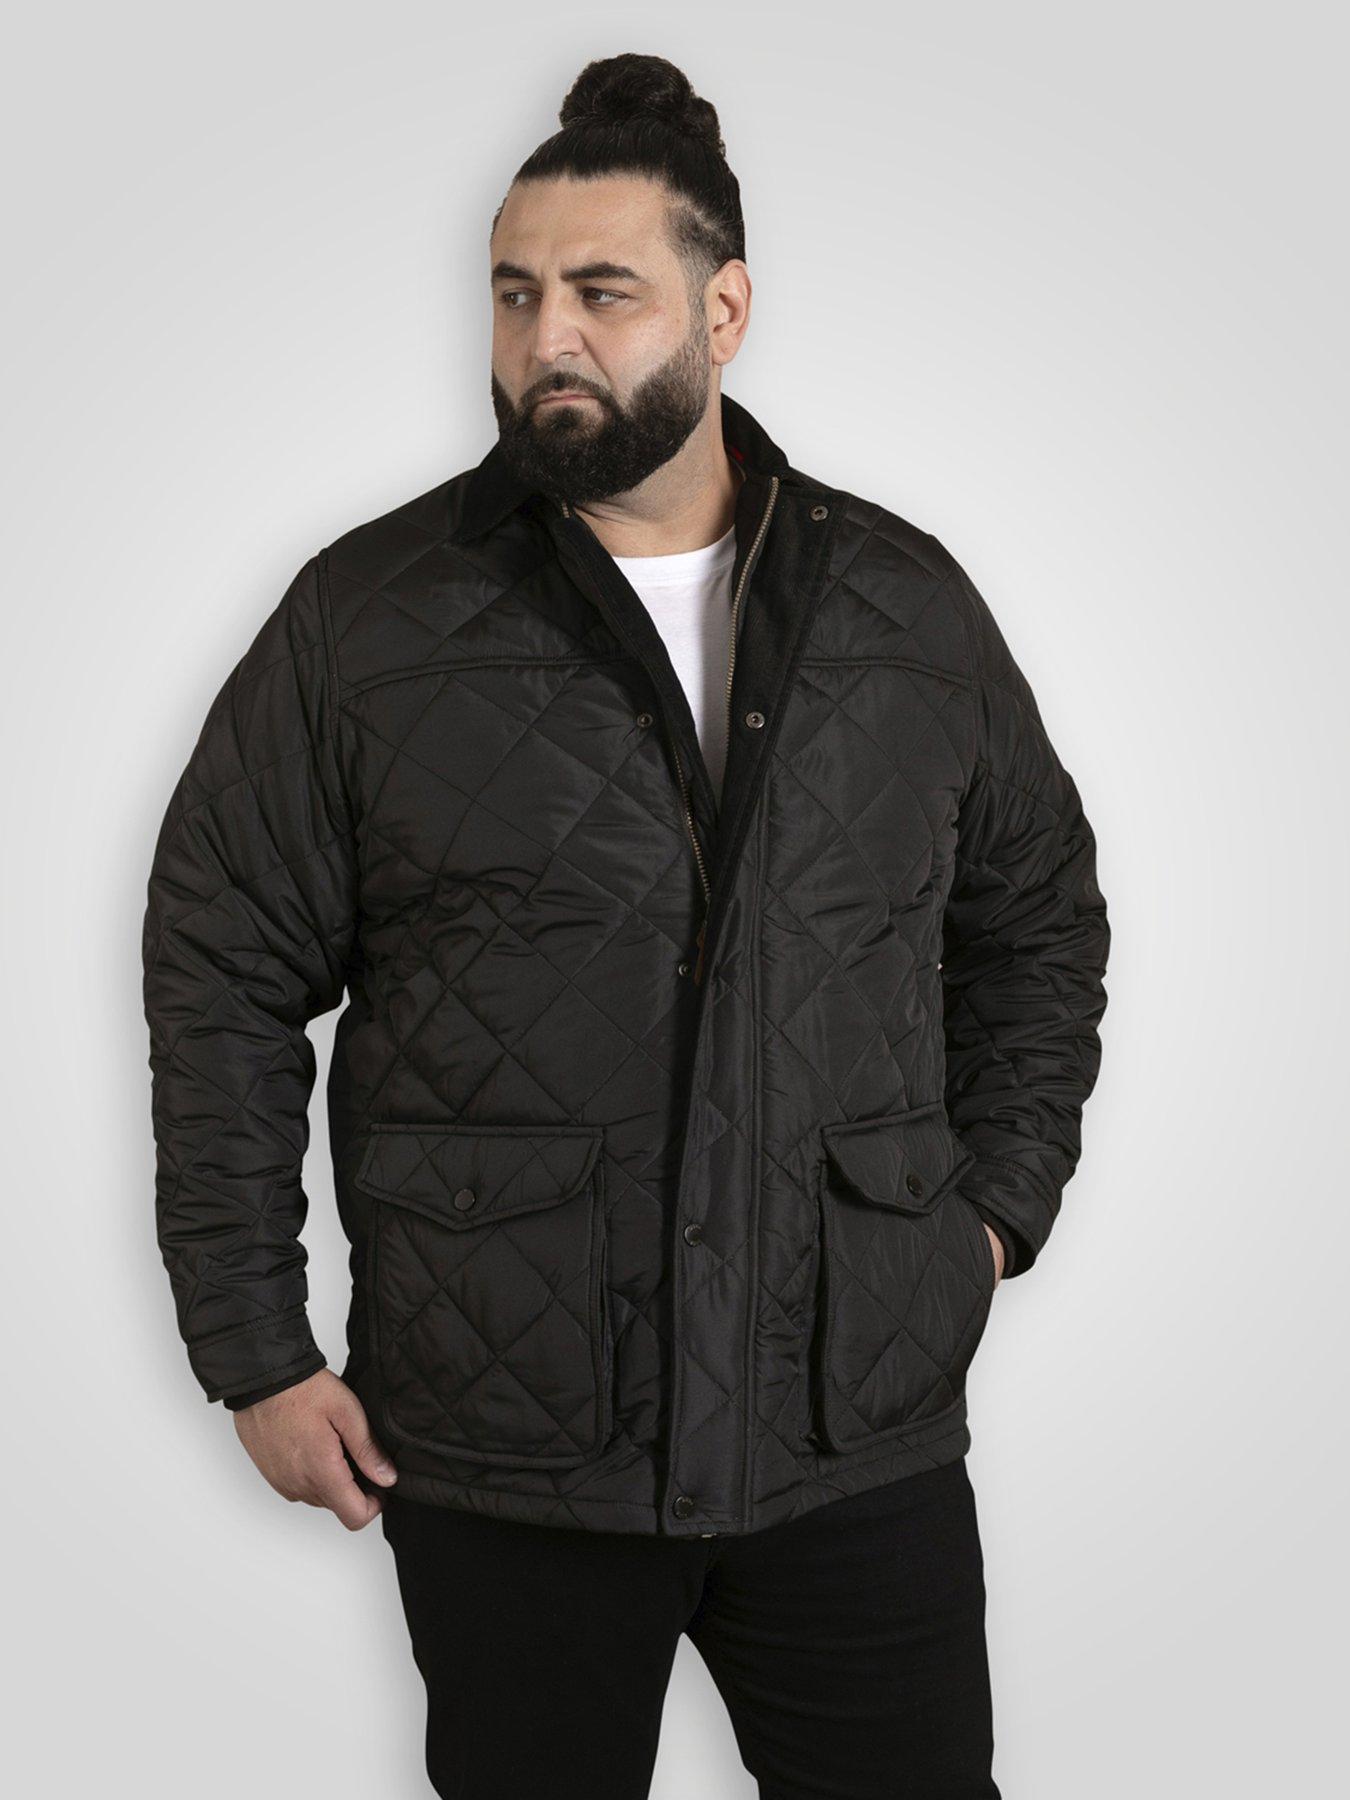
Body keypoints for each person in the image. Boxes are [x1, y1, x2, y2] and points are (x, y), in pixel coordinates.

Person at [141, 50, 1110, 1800]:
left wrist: (982, 1225)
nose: (547, 340)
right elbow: (221, 969)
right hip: (510, 1438)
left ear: (723, 310)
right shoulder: (370, 621)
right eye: (513, 294)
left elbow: (1034, 916)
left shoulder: (900, 607)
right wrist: (255, 1349)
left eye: (602, 292)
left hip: (852, 1431)